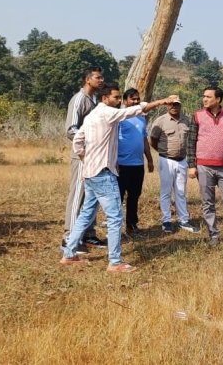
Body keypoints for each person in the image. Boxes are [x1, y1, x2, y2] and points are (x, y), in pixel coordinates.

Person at [60, 82, 177, 273]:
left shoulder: (91, 116)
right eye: (115, 97)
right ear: (105, 98)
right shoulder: (107, 113)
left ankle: (68, 253)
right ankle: (115, 262)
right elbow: (133, 111)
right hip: (104, 174)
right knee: (115, 218)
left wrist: (86, 161)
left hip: (91, 173)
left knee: (87, 213)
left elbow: (78, 142)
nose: (118, 101)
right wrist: (162, 101)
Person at [186, 86, 223, 246]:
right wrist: (192, 165)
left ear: (218, 99)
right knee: (208, 203)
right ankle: (213, 236)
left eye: (208, 97)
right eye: (203, 96)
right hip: (204, 167)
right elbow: (191, 141)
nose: (204, 99)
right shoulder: (197, 116)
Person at [62, 66, 106, 253]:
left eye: (102, 77)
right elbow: (70, 130)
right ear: (88, 80)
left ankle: (88, 234)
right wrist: (87, 145)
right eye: (97, 77)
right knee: (78, 195)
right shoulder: (79, 100)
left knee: (91, 196)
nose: (101, 80)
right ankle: (69, 237)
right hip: (82, 156)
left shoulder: (94, 101)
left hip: (94, 157)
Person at [149, 100, 198, 233]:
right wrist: (161, 151)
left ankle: (184, 220)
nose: (174, 107)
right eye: (171, 104)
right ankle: (166, 221)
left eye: (176, 104)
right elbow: (153, 139)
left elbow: (192, 140)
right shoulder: (160, 121)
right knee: (166, 192)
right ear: (167, 106)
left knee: (181, 192)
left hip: (182, 160)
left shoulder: (187, 120)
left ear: (180, 105)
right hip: (166, 160)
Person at [116, 88, 154, 237]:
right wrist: (113, 161)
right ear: (125, 101)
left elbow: (144, 139)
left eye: (138, 99)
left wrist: (149, 159)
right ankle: (115, 229)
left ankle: (132, 226)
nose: (136, 101)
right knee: (117, 198)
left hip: (138, 165)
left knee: (134, 196)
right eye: (133, 99)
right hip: (121, 165)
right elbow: (113, 141)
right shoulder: (119, 117)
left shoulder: (141, 117)